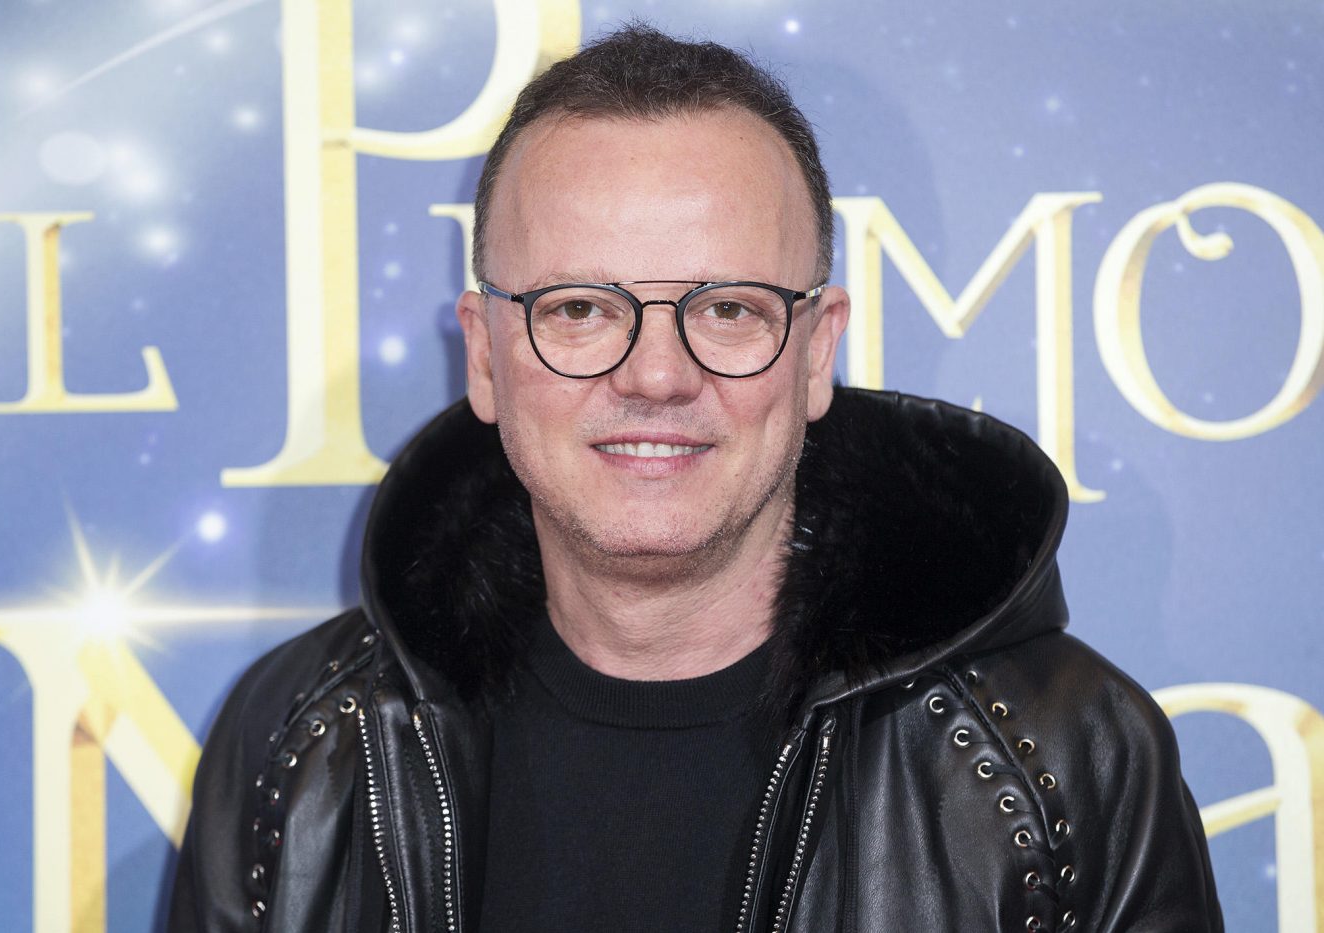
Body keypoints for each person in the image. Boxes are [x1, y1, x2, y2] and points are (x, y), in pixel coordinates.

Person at [169, 24, 1222, 933]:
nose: (657, 376)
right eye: (579, 309)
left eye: (727, 309)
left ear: (816, 351)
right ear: (484, 356)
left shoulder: (1065, 757)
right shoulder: (298, 743)